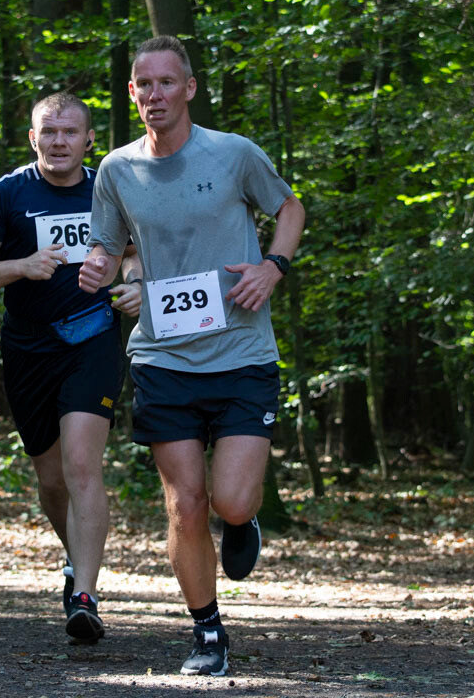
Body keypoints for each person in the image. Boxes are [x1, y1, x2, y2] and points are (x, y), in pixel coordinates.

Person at [78, 35, 305, 676]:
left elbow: (290, 207)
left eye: (166, 83)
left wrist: (272, 266)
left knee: (231, 501)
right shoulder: (118, 170)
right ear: (131, 94)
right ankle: (207, 632)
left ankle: (244, 522)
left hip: (241, 350)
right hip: (162, 355)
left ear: (189, 88)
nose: (154, 95)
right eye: (143, 85)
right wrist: (103, 269)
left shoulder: (233, 154)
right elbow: (112, 245)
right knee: (185, 503)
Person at [0, 91, 142, 644]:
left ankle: (85, 596)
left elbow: (135, 252)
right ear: (33, 138)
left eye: (70, 133)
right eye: (49, 133)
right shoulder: (8, 194)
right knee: (52, 479)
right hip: (28, 348)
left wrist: (134, 284)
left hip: (92, 340)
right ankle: (73, 562)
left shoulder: (109, 188)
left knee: (83, 465)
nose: (59, 142)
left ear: (88, 139)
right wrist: (21, 266)